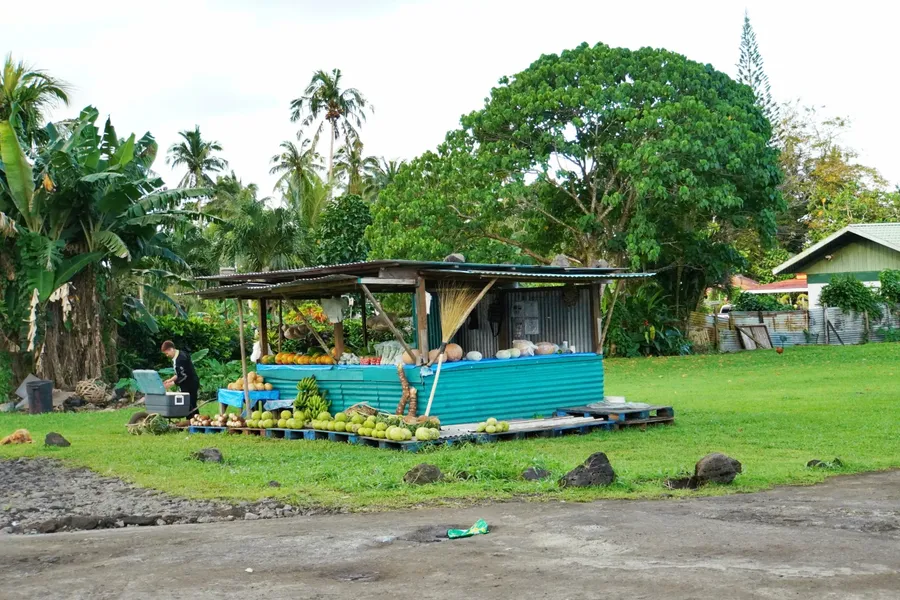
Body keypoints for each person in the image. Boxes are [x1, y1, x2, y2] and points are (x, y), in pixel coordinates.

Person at [161, 340, 200, 415]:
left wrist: (172, 383)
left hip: (190, 383)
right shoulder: (178, 356)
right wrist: (170, 380)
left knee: (191, 405)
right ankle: (192, 421)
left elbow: (184, 376)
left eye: (167, 353)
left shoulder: (181, 358)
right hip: (186, 383)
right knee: (187, 405)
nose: (167, 355)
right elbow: (179, 373)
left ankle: (193, 422)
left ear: (171, 349)